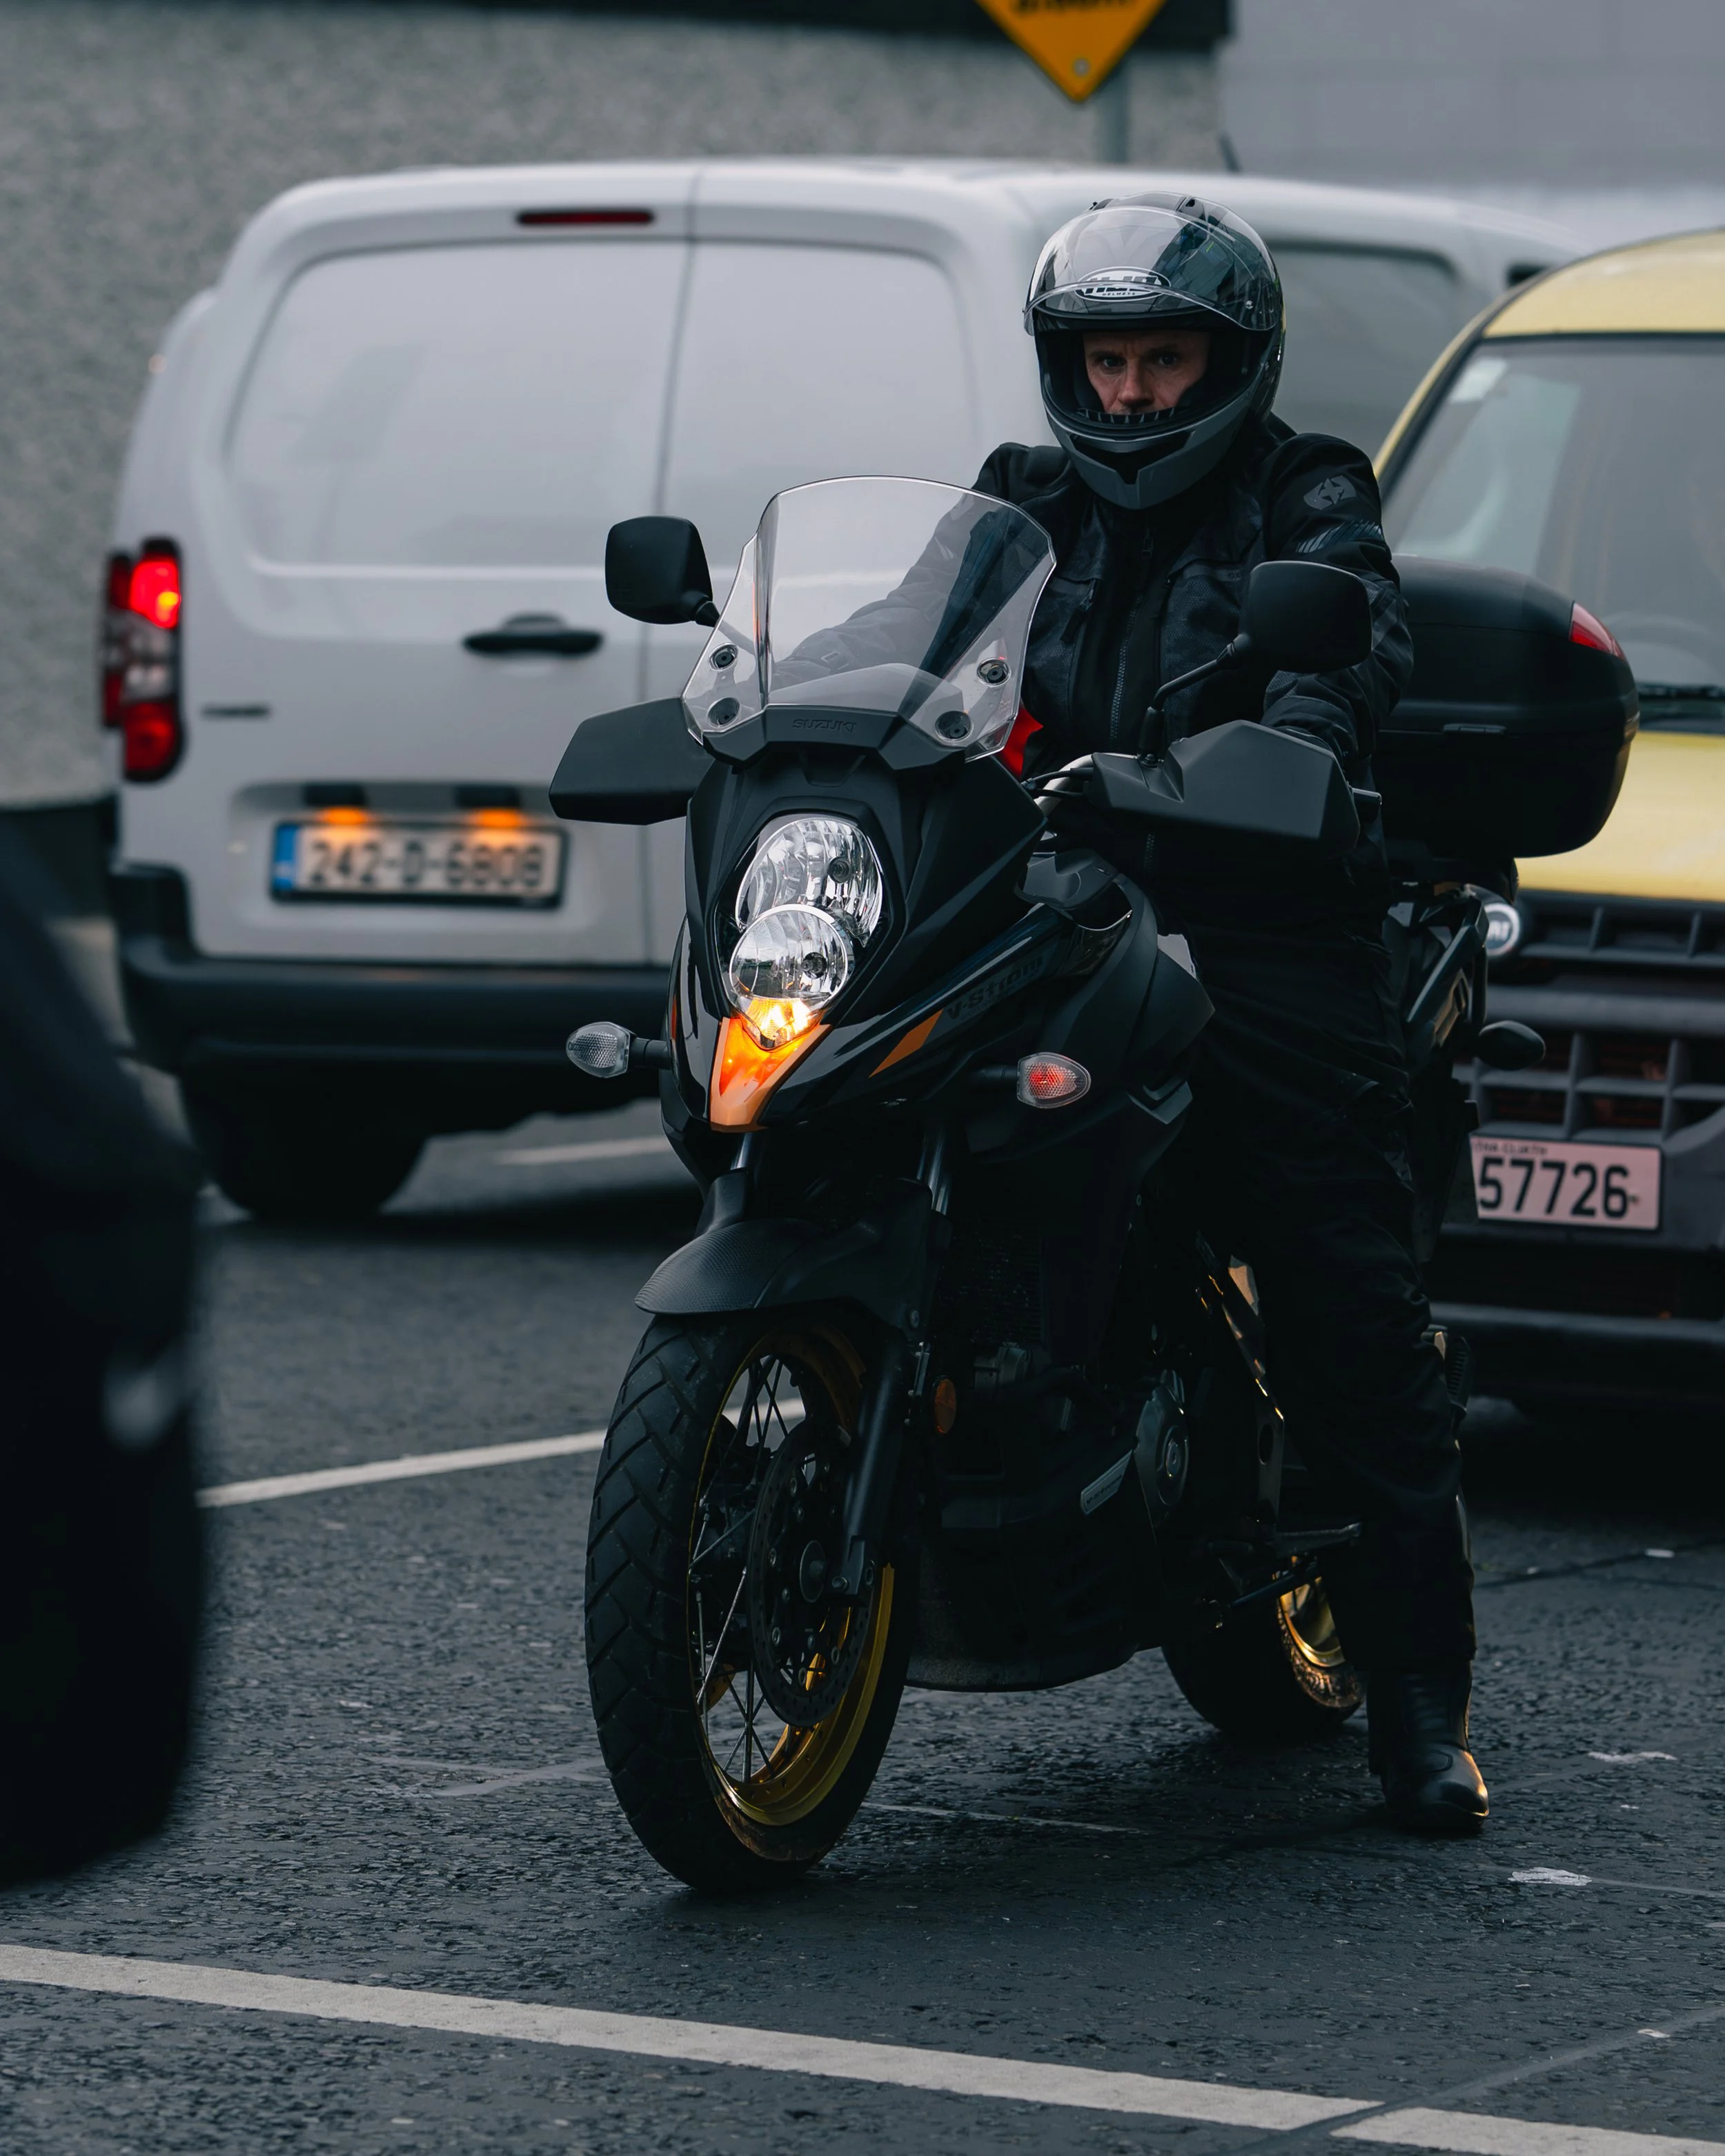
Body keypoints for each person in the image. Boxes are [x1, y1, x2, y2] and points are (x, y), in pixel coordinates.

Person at [994, 194, 1485, 1834]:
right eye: (1106, 360)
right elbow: (918, 639)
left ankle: (1419, 1702)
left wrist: (1292, 746)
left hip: (1249, 909)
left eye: (1163, 358)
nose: (1130, 394)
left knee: (1338, 1282)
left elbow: (1341, 645)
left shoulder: (1302, 489)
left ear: (1230, 361)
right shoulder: (1019, 501)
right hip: (1049, 899)